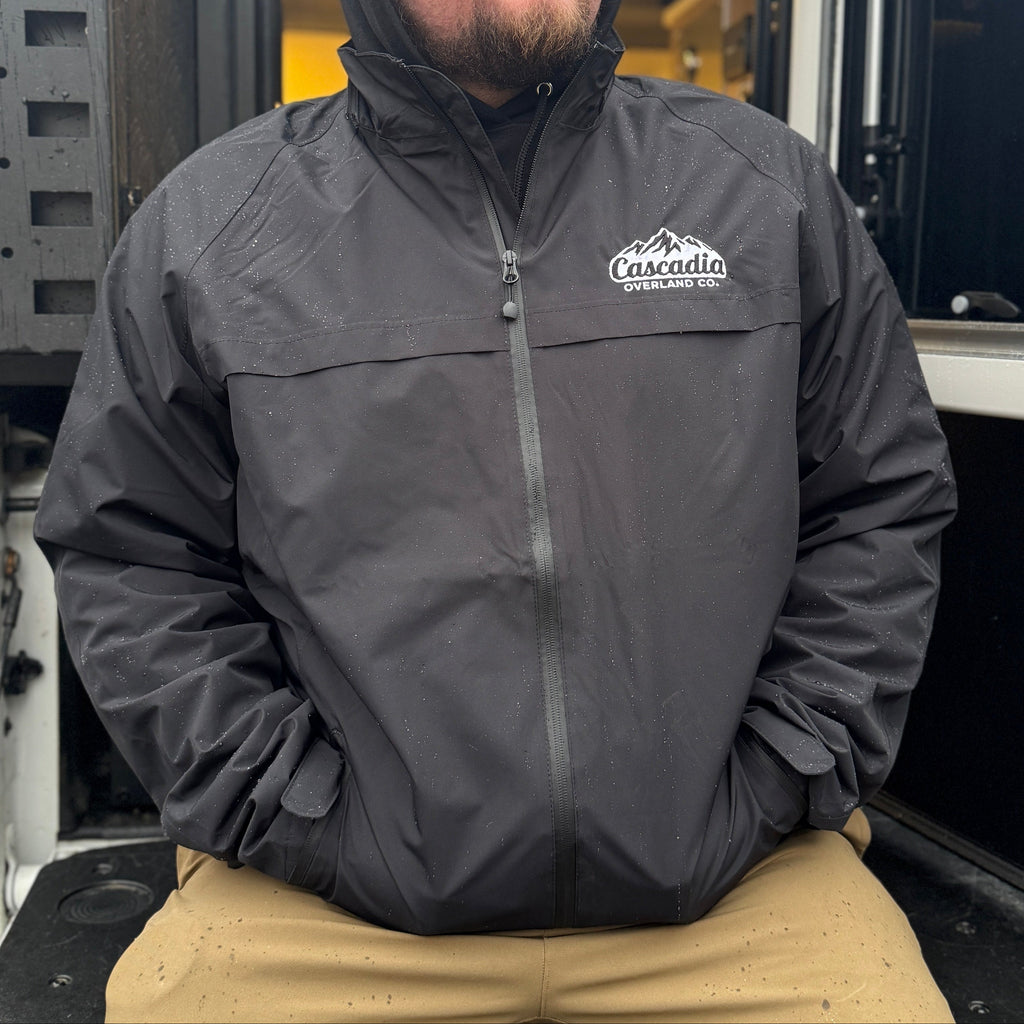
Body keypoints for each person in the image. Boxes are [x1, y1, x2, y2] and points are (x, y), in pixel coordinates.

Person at [34, 0, 957, 1020]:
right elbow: (134, 555)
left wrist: (785, 768)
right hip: (329, 907)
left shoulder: (766, 191)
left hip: (737, 887)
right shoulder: (208, 227)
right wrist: (294, 811)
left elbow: (877, 502)